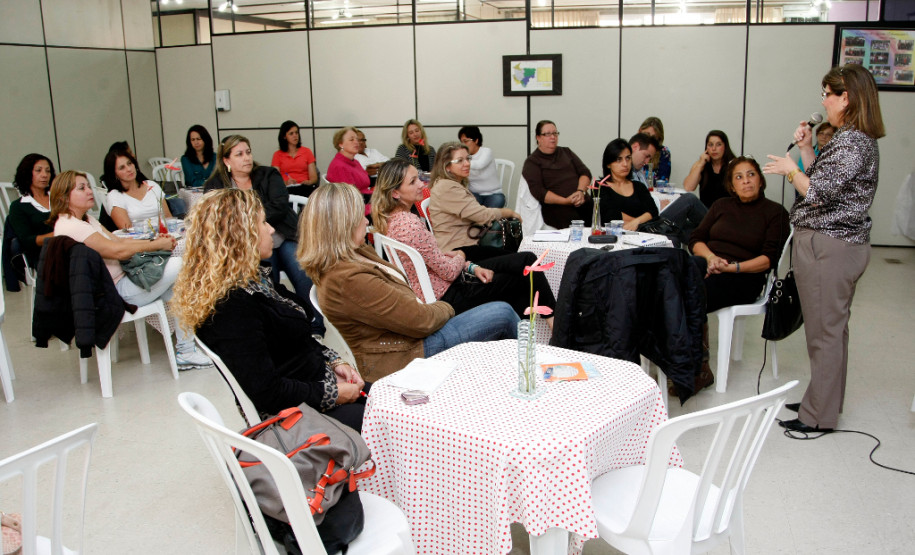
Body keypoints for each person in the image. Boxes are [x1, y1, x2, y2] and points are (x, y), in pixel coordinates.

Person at [172, 189, 367, 430]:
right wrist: (333, 393)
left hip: (311, 386)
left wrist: (335, 362)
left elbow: (296, 340)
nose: (271, 229)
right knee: (396, 418)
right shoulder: (230, 307)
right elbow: (267, 392)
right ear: (241, 235)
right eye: (263, 222)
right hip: (292, 416)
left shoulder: (254, 281)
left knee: (393, 397)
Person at [763, 64, 885, 433]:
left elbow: (814, 193)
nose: (823, 102)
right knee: (830, 329)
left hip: (830, 247)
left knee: (824, 333)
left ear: (845, 98)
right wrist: (804, 149)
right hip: (831, 244)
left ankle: (818, 415)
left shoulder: (853, 142)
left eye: (826, 95)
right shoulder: (851, 139)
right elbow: (824, 182)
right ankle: (824, 401)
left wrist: (789, 169)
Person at [298, 182, 518, 381]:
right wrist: (450, 307)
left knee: (496, 306)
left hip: (408, 334)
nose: (366, 220)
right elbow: (421, 322)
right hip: (405, 352)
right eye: (359, 216)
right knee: (502, 312)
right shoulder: (348, 277)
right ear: (342, 224)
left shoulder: (351, 256)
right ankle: (524, 382)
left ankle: (500, 378)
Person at [48, 170, 212, 369]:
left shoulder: (85, 220)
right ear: (64, 196)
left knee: (178, 287)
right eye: (81, 188)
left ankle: (186, 350)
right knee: (180, 264)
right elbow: (117, 251)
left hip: (123, 281)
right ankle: (187, 349)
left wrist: (153, 240)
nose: (89, 191)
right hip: (113, 293)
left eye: (88, 186)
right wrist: (155, 245)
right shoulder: (72, 226)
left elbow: (118, 240)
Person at [372, 158, 555, 326]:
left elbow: (432, 259)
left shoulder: (392, 220)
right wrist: (462, 256)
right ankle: (548, 334)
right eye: (413, 182)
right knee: (524, 275)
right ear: (395, 192)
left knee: (524, 267)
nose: (422, 184)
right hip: (448, 297)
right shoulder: (410, 224)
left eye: (418, 178)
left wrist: (471, 267)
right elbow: (449, 271)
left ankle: (526, 338)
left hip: (442, 288)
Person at [204, 135, 324, 335]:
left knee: (302, 271)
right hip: (250, 245)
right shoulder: (216, 185)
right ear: (226, 160)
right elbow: (218, 219)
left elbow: (279, 205)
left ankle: (314, 327)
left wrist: (244, 218)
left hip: (283, 235)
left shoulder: (268, 174)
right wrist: (254, 222)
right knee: (269, 280)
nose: (247, 158)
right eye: (239, 154)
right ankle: (281, 328)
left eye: (248, 152)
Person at [428, 142, 521, 259]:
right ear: (447, 166)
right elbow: (482, 215)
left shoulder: (452, 184)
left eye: (468, 158)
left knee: (518, 258)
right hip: (457, 251)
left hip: (468, 245)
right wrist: (508, 212)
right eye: (460, 161)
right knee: (523, 259)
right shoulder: (447, 188)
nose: (467, 164)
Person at [522, 120, 593, 229]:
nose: (553, 137)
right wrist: (565, 201)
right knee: (572, 221)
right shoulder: (533, 161)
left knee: (599, 213)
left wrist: (580, 192)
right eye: (547, 134)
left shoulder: (566, 152)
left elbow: (585, 172)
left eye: (555, 133)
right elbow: (538, 191)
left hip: (581, 200)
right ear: (538, 138)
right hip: (556, 207)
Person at [595, 139, 658, 230]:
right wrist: (641, 222)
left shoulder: (639, 186)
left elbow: (653, 212)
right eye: (619, 159)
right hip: (613, 235)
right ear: (608, 164)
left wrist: (637, 223)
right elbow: (608, 215)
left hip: (643, 236)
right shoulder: (600, 186)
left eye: (628, 158)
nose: (625, 164)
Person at [104, 147, 172, 230]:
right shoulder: (115, 196)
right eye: (122, 168)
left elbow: (168, 218)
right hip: (139, 240)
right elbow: (127, 231)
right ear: (114, 174)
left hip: (166, 234)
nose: (129, 169)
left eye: (129, 163)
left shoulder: (151, 185)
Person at [7, 154, 55, 268]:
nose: (44, 175)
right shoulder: (18, 206)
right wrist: (58, 234)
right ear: (27, 174)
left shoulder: (59, 199)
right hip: (42, 255)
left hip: (69, 247)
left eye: (48, 171)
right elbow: (27, 240)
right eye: (38, 170)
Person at [683, 130, 736, 208]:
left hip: (727, 212)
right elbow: (688, 187)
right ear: (706, 148)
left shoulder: (734, 165)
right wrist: (701, 164)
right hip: (706, 214)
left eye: (718, 145)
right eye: (710, 145)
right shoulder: (700, 165)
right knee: (689, 199)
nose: (714, 149)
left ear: (725, 146)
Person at [326, 126, 372, 216]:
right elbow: (351, 200)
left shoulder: (355, 162)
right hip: (355, 211)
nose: (356, 142)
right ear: (341, 144)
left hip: (366, 201)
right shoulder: (339, 167)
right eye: (351, 140)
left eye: (357, 139)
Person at [458, 125, 505, 208]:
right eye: (461, 142)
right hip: (474, 194)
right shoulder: (464, 156)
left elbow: (479, 164)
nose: (463, 145)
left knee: (491, 211)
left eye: (466, 141)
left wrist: (460, 162)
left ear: (476, 140)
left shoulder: (486, 151)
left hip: (494, 194)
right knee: (467, 208)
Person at [271, 120, 318, 197]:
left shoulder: (307, 151)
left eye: (296, 133)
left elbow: (314, 177)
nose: (295, 136)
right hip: (286, 189)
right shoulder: (277, 155)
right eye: (291, 133)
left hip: (304, 188)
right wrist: (286, 182)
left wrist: (309, 182)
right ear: (284, 136)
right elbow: (275, 179)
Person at [638, 116, 671, 182]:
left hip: (653, 191)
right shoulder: (632, 149)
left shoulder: (664, 152)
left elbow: (663, 181)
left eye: (653, 137)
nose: (649, 139)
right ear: (639, 132)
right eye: (646, 134)